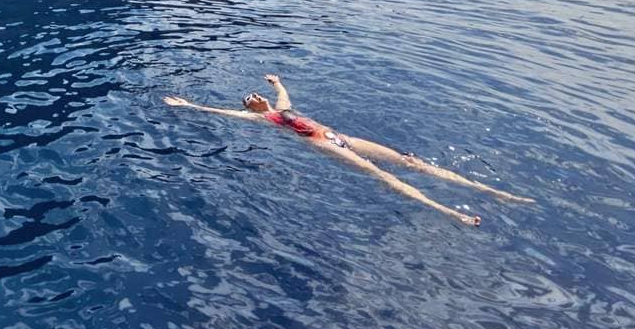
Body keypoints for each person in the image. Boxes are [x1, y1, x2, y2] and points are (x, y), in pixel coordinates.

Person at [164, 74, 532, 227]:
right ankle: (451, 213)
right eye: (251, 99)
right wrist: (189, 106)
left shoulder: (279, 108)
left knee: (409, 161)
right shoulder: (262, 121)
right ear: (250, 109)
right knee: (382, 175)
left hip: (341, 136)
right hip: (323, 144)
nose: (256, 97)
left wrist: (277, 81)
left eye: (256, 94)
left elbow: (283, 96)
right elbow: (218, 111)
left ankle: (492, 191)